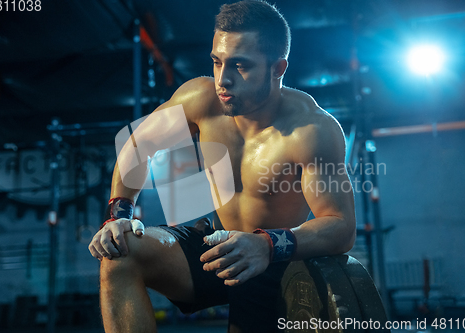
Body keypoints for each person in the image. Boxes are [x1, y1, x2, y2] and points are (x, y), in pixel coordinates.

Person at [88, 1, 356, 332]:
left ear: (277, 69)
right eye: (217, 62)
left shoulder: (312, 131)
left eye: (240, 66)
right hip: (216, 245)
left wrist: (267, 244)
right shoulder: (200, 101)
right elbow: (138, 146)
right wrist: (120, 217)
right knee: (119, 253)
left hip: (273, 263)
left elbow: (340, 227)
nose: (223, 79)